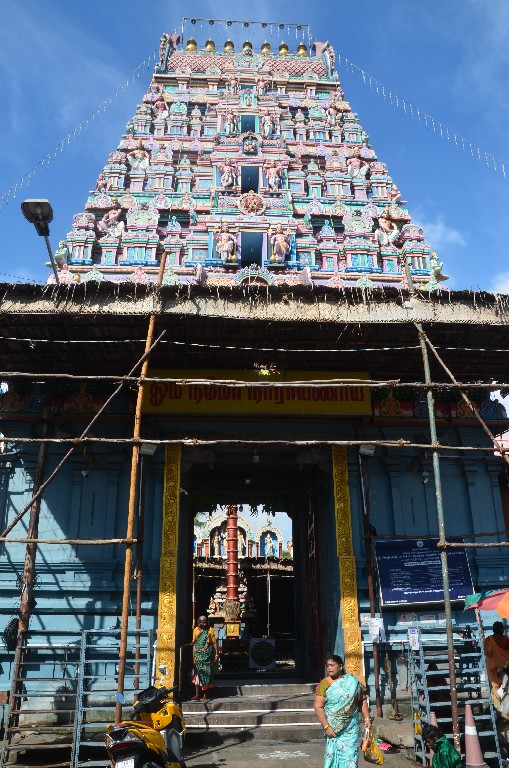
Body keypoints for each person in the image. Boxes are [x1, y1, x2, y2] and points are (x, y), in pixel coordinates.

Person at [314, 654, 370, 768]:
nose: (329, 668)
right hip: (333, 729)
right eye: (327, 665)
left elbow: (362, 699)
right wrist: (327, 727)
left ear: (340, 666)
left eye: (332, 665)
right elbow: (318, 707)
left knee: (350, 757)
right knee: (333, 756)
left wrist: (367, 717)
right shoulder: (324, 684)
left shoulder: (352, 682)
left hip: (350, 728)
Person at [190, 615, 218, 702]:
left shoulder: (210, 630)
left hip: (207, 655)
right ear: (198, 623)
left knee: (207, 675)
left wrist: (216, 654)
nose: (204, 624)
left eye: (205, 622)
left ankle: (205, 695)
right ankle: (197, 694)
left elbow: (214, 642)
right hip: (197, 655)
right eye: (202, 622)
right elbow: (194, 642)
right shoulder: (195, 630)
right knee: (197, 675)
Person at [484, 621, 509, 696]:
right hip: (506, 666)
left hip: (493, 668)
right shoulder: (506, 640)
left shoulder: (488, 640)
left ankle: (499, 701)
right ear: (501, 629)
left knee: (496, 687)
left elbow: (486, 653)